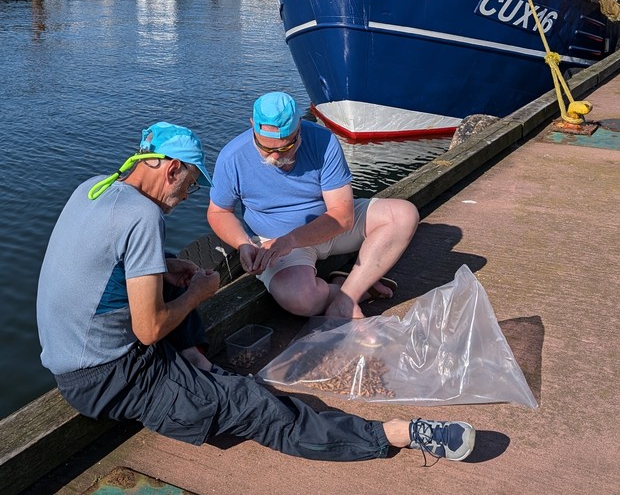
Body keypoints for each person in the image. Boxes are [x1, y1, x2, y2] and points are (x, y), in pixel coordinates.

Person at [36, 120, 475, 462]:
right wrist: (198, 297)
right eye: (190, 186)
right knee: (255, 405)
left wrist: (169, 267)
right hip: (110, 377)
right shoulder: (144, 218)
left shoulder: (94, 189)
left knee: (182, 276)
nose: (189, 196)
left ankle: (193, 361)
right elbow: (149, 330)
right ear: (171, 169)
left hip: (83, 353)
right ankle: (392, 435)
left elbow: (103, 262)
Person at [208, 92, 420, 319]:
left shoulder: (323, 140)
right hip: (274, 242)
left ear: (299, 125)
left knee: (403, 215)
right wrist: (242, 243)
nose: (276, 156)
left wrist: (291, 240)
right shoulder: (232, 156)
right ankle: (351, 288)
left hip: (329, 225)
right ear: (252, 125)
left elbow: (342, 216)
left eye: (285, 147)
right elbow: (219, 211)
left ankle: (347, 297)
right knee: (300, 300)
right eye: (266, 148)